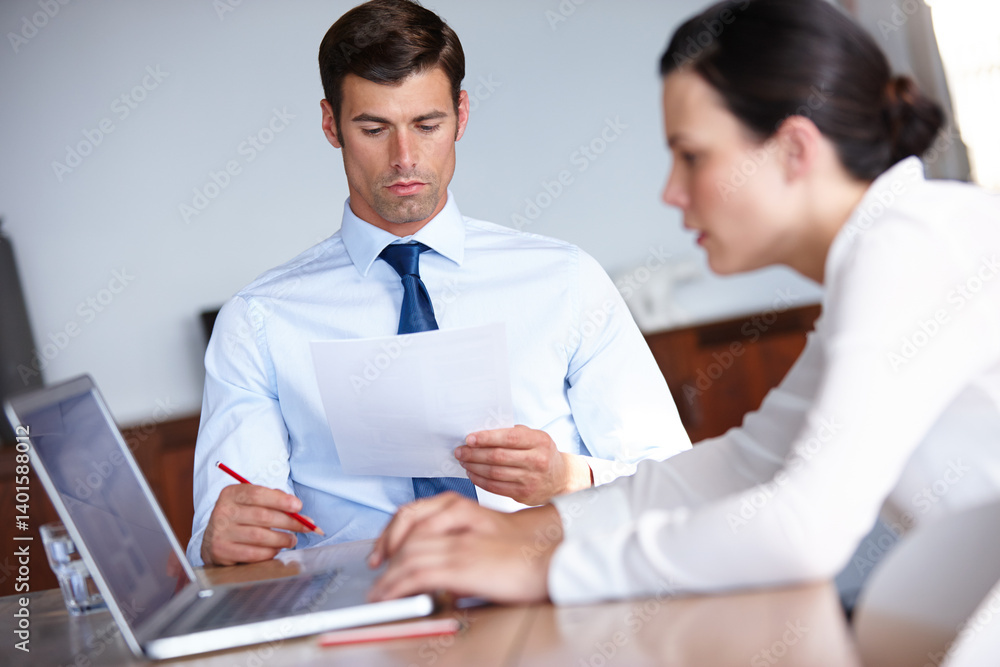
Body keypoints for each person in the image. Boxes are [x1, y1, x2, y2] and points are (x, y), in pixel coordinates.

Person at [367, 0, 1000, 605]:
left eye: (691, 156)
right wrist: (517, 532)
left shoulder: (914, 246)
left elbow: (801, 530)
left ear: (795, 149)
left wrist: (539, 568)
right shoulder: (893, 248)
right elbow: (742, 466)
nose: (671, 191)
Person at [188, 0, 691, 568]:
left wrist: (566, 478)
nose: (404, 158)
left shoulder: (566, 280)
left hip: (547, 588)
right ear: (331, 125)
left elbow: (672, 482)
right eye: (373, 128)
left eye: (427, 126)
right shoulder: (258, 320)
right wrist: (217, 539)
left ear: (462, 114)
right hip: (363, 604)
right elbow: (226, 536)